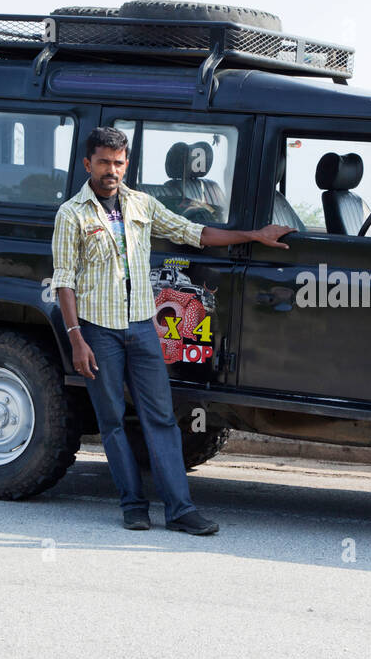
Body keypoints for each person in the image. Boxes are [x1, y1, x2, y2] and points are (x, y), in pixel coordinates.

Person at [51, 127, 293, 533]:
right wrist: (77, 339)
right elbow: (64, 280)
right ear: (87, 164)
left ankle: (180, 510)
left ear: (127, 164)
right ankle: (133, 505)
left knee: (161, 418)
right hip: (97, 332)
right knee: (111, 420)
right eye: (104, 162)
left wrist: (253, 235)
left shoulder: (142, 204)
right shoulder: (71, 214)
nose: (112, 170)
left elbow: (193, 233)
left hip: (143, 328)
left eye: (119, 163)